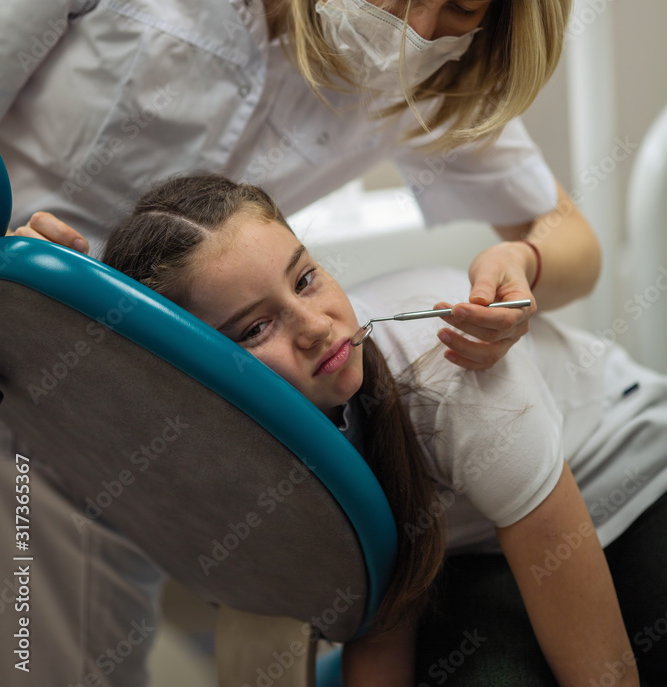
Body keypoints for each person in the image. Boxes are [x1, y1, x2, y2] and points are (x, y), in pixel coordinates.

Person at [0, 0, 601, 683]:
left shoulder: (412, 80)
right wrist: (24, 257)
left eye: (460, 12)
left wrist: (519, 260)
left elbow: (570, 239)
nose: (414, 34)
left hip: (135, 421)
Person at [97, 170, 666, 686]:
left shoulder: (448, 367)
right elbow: (387, 612)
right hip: (474, 556)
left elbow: (603, 674)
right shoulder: (238, 464)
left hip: (633, 481)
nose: (315, 327)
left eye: (305, 279)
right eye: (255, 329)